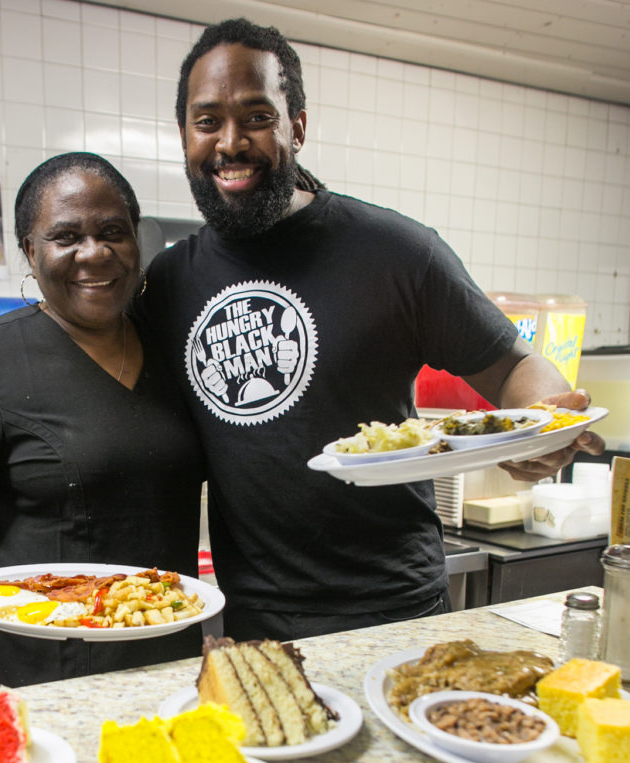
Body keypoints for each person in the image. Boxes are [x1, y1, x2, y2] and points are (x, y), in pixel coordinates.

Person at [133, 18, 605, 643]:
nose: (229, 142)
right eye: (207, 121)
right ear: (185, 135)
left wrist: (543, 424)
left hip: (394, 609)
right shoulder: (168, 282)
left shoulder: (395, 253)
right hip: (254, 619)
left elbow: (514, 365)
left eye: (256, 116)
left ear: (296, 126)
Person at [0, 153, 205, 687]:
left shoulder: (176, 348)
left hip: (164, 653)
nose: (95, 253)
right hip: (36, 665)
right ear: (30, 254)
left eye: (114, 232)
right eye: (66, 237)